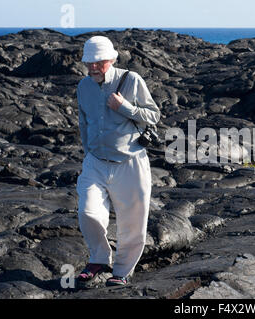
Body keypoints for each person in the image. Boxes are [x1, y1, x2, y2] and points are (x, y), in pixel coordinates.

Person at [75, 36, 160, 286]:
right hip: (95, 161)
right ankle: (100, 257)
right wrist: (87, 153)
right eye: (89, 62)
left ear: (111, 60)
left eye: (98, 62)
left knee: (133, 221)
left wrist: (125, 107)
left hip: (130, 162)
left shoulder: (131, 80)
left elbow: (154, 115)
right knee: (87, 211)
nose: (92, 67)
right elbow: (83, 122)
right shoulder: (83, 86)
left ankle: (121, 271)